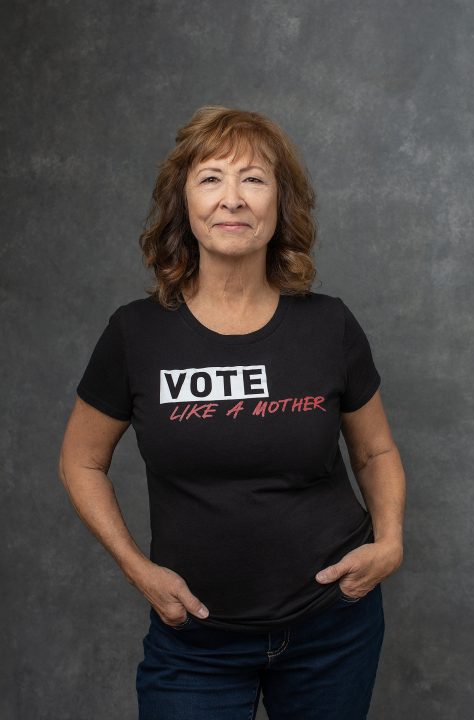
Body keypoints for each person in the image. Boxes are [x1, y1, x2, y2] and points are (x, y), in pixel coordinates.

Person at [58, 105, 406, 720]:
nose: (233, 199)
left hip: (333, 632)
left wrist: (391, 540)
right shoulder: (136, 335)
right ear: (184, 205)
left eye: (254, 178)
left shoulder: (330, 325)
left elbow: (375, 450)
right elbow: (81, 461)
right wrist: (137, 568)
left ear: (280, 204)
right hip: (195, 642)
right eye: (211, 177)